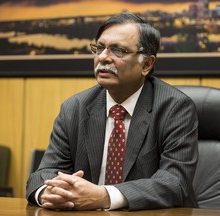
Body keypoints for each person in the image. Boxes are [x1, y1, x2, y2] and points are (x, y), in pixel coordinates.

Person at [26, 12, 198, 211]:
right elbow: (42, 174)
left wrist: (104, 196)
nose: (103, 58)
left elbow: (173, 182)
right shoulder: (74, 108)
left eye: (118, 50)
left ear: (147, 64)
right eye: (99, 48)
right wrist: (49, 193)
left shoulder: (175, 108)